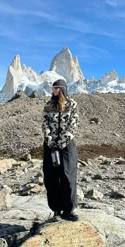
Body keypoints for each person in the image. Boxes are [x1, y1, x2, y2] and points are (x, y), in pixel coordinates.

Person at [42, 79, 79, 221]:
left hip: (67, 146)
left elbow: (73, 125)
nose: (54, 90)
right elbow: (44, 124)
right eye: (53, 88)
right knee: (51, 177)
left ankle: (68, 210)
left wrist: (62, 142)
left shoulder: (72, 104)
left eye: (57, 88)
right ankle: (56, 209)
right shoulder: (48, 105)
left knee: (68, 176)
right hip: (50, 145)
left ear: (63, 89)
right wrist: (50, 141)